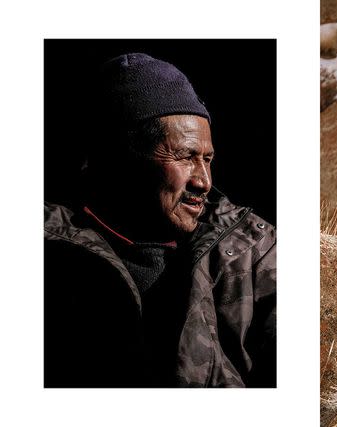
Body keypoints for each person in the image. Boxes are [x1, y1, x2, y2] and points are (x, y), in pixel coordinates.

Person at [44, 53, 276, 388]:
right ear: (121, 157)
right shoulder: (49, 255)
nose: (204, 181)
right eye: (185, 156)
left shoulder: (251, 249)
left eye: (207, 159)